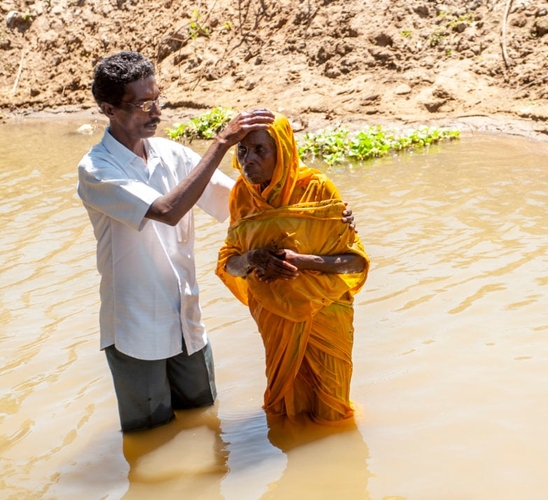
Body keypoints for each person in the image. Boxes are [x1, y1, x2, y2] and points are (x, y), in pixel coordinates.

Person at [76, 50, 280, 432]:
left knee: (206, 424)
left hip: (187, 322)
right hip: (137, 331)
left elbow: (241, 202)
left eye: (158, 99)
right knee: (150, 439)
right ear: (108, 108)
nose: (156, 111)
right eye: (143, 104)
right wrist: (220, 143)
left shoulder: (172, 155)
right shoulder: (97, 170)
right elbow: (168, 209)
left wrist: (318, 207)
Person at [216, 115, 370, 424]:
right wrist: (253, 259)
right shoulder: (242, 196)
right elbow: (229, 264)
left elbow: (354, 262)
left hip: (326, 311)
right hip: (276, 315)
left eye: (261, 150)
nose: (249, 160)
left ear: (283, 151)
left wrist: (299, 261)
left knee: (334, 410)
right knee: (286, 409)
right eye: (243, 151)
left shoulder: (317, 188)